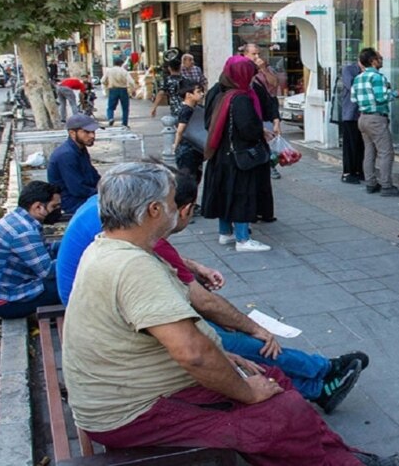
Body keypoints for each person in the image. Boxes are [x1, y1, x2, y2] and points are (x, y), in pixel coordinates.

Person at [60, 163, 399, 465]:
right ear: (153, 210)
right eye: (171, 202)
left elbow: (180, 340)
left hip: (136, 393)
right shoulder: (132, 265)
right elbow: (194, 355)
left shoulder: (115, 247)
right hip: (130, 414)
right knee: (278, 413)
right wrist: (246, 392)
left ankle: (341, 455)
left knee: (273, 378)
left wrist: (225, 356)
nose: (179, 208)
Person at [55, 176, 368, 413]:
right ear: (156, 209)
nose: (174, 213)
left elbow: (175, 276)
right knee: (233, 342)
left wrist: (190, 267)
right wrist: (251, 333)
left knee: (223, 338)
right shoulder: (136, 246)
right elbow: (198, 330)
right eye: (171, 205)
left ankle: (316, 384)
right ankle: (320, 374)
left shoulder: (120, 226)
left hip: (99, 327)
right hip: (116, 368)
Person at [201, 56, 272, 251]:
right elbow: (248, 129)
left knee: (225, 194)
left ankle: (225, 233)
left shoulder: (218, 93)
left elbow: (209, 122)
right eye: (249, 74)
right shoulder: (240, 98)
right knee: (242, 195)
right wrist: (261, 131)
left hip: (221, 155)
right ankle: (243, 239)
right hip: (239, 157)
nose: (250, 79)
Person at [0, 181, 63, 318]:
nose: (58, 211)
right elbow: (48, 271)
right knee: (71, 279)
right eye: (54, 206)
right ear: (38, 206)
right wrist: (75, 255)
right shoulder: (24, 231)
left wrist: (69, 244)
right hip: (5, 302)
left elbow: (46, 250)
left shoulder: (19, 219)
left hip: (2, 293)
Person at [351, 48, 399, 197]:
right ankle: (386, 186)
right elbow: (382, 97)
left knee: (369, 152)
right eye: (379, 58)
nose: (382, 60)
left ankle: (371, 183)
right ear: (373, 61)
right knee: (386, 152)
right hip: (376, 118)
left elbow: (353, 99)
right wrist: (396, 93)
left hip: (363, 117)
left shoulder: (358, 78)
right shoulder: (377, 77)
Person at [242, 47, 283, 182]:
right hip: (251, 113)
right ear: (245, 55)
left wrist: (263, 70)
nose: (256, 56)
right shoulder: (242, 70)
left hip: (266, 110)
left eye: (258, 54)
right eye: (253, 54)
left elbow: (274, 85)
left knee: (268, 141)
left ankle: (269, 164)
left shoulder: (266, 69)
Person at [47, 114, 101, 215]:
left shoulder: (81, 148)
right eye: (87, 132)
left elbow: (93, 176)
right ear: (72, 133)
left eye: (93, 132)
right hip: (71, 202)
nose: (92, 136)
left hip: (83, 197)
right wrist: (103, 194)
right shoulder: (66, 155)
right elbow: (77, 189)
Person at [173, 79, 206, 184]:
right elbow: (180, 130)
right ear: (189, 95)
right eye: (199, 92)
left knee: (195, 177)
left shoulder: (195, 108)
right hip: (188, 150)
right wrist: (176, 144)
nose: (202, 94)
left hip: (194, 149)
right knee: (190, 178)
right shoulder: (186, 110)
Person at [339, 62, 365, 183]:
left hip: (363, 114)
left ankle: (359, 171)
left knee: (361, 145)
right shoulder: (349, 69)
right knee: (350, 145)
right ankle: (348, 173)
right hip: (350, 113)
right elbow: (352, 86)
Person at [101, 57, 134, 128]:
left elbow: (102, 81)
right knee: (125, 108)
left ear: (113, 63)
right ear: (121, 63)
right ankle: (124, 123)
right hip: (123, 90)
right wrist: (133, 90)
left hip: (113, 89)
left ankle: (110, 118)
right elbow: (131, 81)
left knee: (110, 107)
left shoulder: (109, 71)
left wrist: (107, 85)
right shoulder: (124, 71)